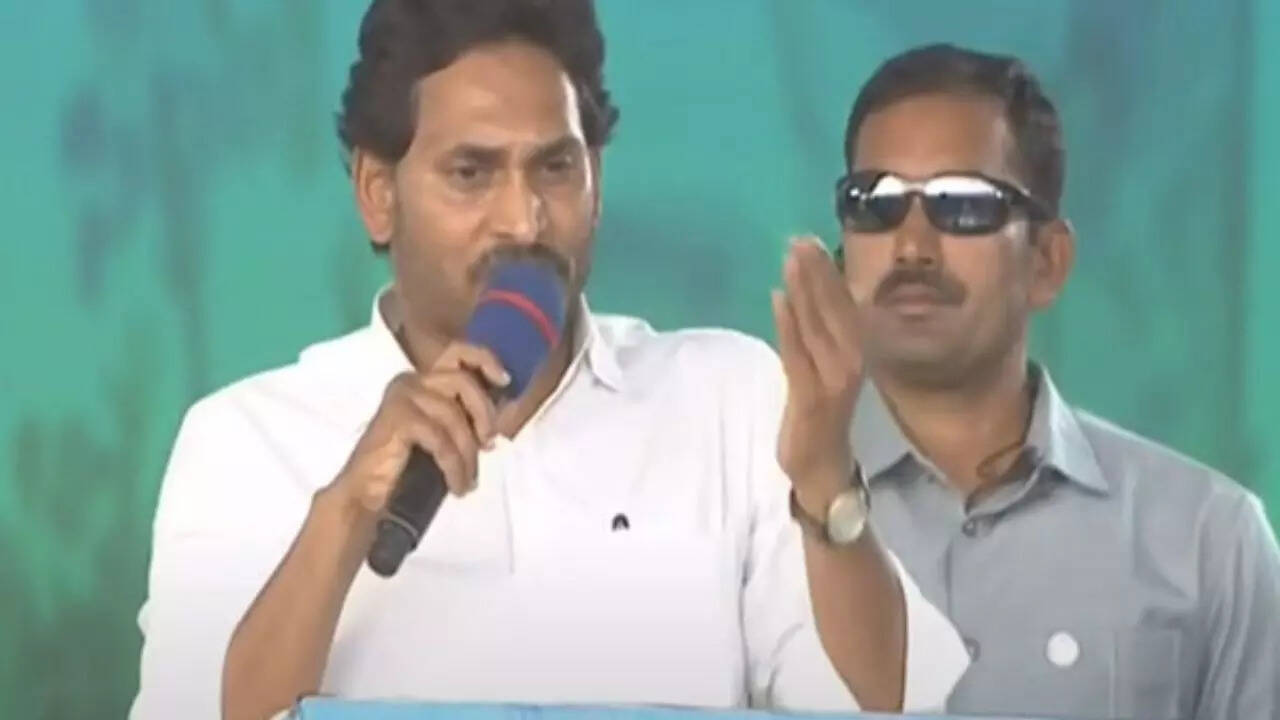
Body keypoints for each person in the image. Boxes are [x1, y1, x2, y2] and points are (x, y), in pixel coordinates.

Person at [129, 4, 969, 720]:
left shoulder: (731, 397)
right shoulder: (242, 441)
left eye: (556, 167)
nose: (525, 220)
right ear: (378, 195)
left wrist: (826, 491)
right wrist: (345, 514)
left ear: (596, 177)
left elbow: (890, 705)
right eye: (471, 173)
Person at [815, 43, 1280, 719]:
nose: (911, 246)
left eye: (962, 204)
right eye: (875, 202)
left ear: (1047, 260)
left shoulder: (1210, 542)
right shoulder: (754, 515)